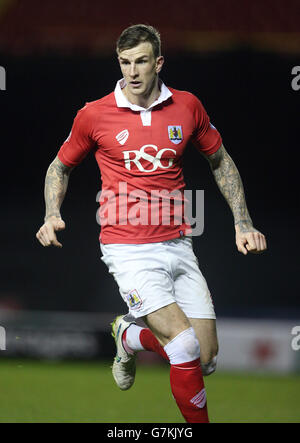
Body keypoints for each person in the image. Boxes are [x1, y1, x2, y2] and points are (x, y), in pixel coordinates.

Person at [36, 24, 267, 423]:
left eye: (141, 61)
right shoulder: (94, 114)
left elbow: (220, 160)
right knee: (183, 347)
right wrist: (51, 213)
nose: (132, 71)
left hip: (178, 243)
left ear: (158, 62)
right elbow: (60, 166)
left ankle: (128, 334)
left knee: (206, 358)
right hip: (127, 248)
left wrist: (242, 223)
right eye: (125, 62)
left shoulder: (188, 106)